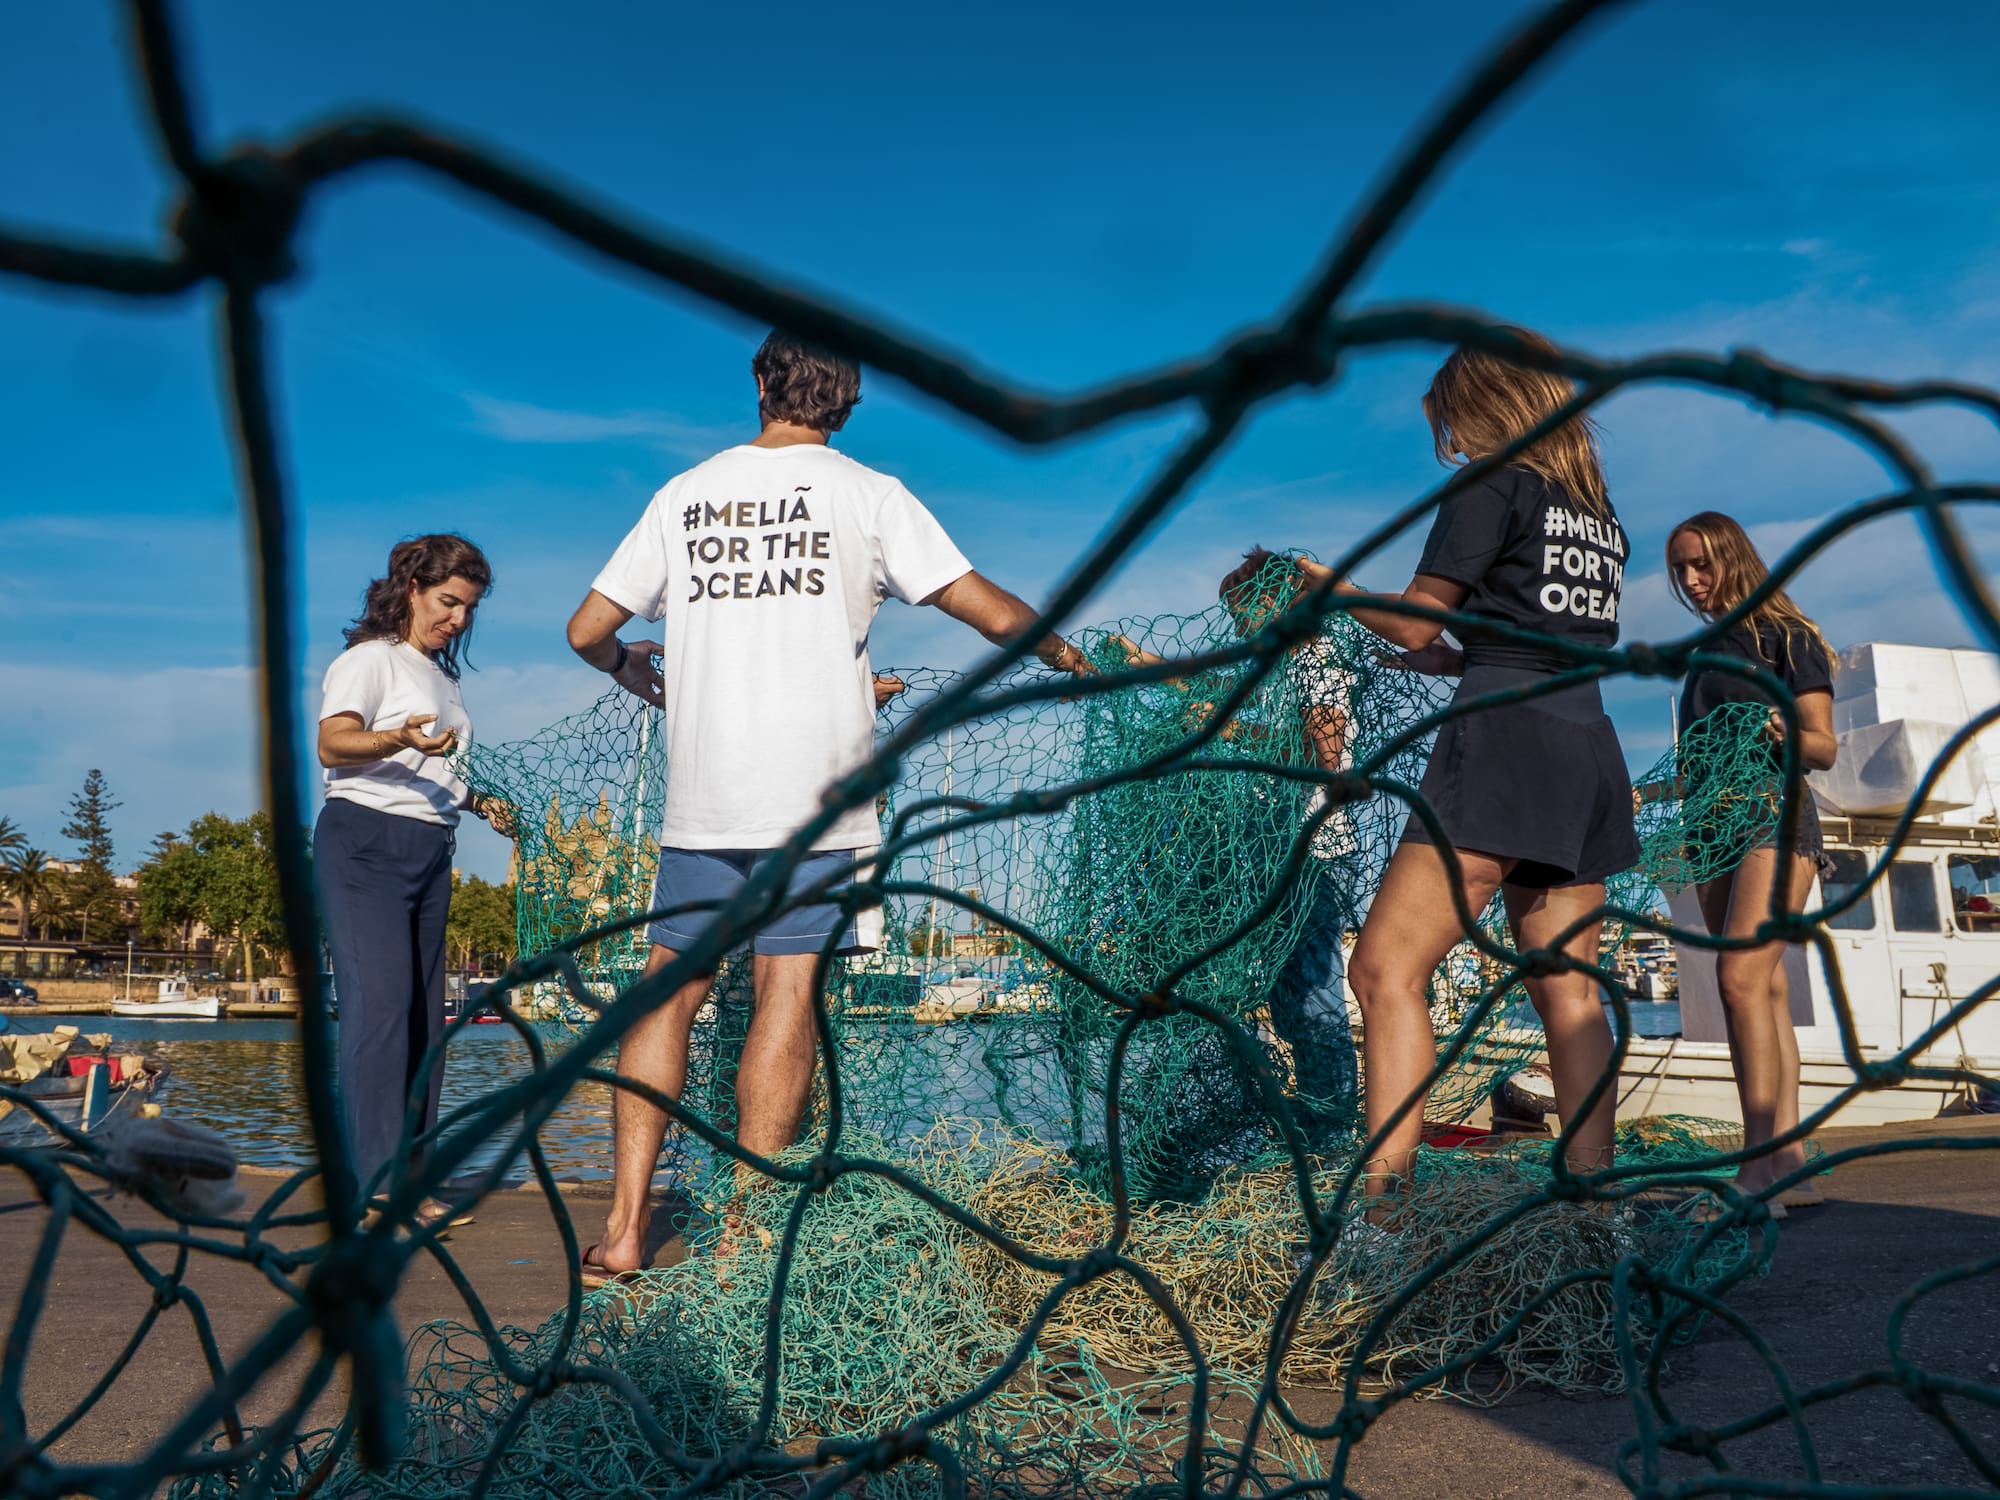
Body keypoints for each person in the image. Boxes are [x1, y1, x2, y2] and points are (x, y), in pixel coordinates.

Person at [568, 330, 1088, 1282]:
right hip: (816, 802)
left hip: (704, 796)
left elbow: (587, 628)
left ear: (760, 381)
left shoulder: (686, 495)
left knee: (667, 992)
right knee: (787, 991)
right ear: (847, 402)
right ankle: (745, 1242)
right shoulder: (869, 495)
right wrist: (1062, 653)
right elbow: (985, 608)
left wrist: (624, 666)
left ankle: (626, 1229)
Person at [1287, 327, 1639, 1217]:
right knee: (1569, 992)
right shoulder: (1596, 515)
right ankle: (1599, 1215)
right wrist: (1465, 658)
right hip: (1588, 748)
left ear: (1483, 405)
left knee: (1383, 971)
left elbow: (1414, 621)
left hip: (1503, 745)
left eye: (1452, 418)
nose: (1450, 439)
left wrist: (1332, 591)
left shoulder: (1492, 481)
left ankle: (1383, 1213)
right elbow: (1543, 635)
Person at [315, 533, 516, 1232]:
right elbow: (334, 742)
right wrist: (398, 736)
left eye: (470, 609)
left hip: (431, 850)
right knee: (381, 1014)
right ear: (411, 589)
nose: (459, 619)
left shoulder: (443, 680)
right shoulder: (369, 660)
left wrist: (477, 801)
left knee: (426, 1025)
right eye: (449, 602)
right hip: (364, 844)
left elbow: (431, 770)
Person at [1666, 511, 1838, 1214]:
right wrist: (1642, 793)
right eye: (1679, 568)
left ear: (1733, 557)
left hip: (1775, 814)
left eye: (1701, 563)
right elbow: (1698, 764)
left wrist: (1785, 729)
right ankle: (1789, 1164)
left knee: (1739, 978)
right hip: (1710, 830)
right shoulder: (1703, 652)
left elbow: (1824, 746)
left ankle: (1756, 1174)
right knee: (1762, 992)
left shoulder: (1787, 635)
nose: (1690, 579)